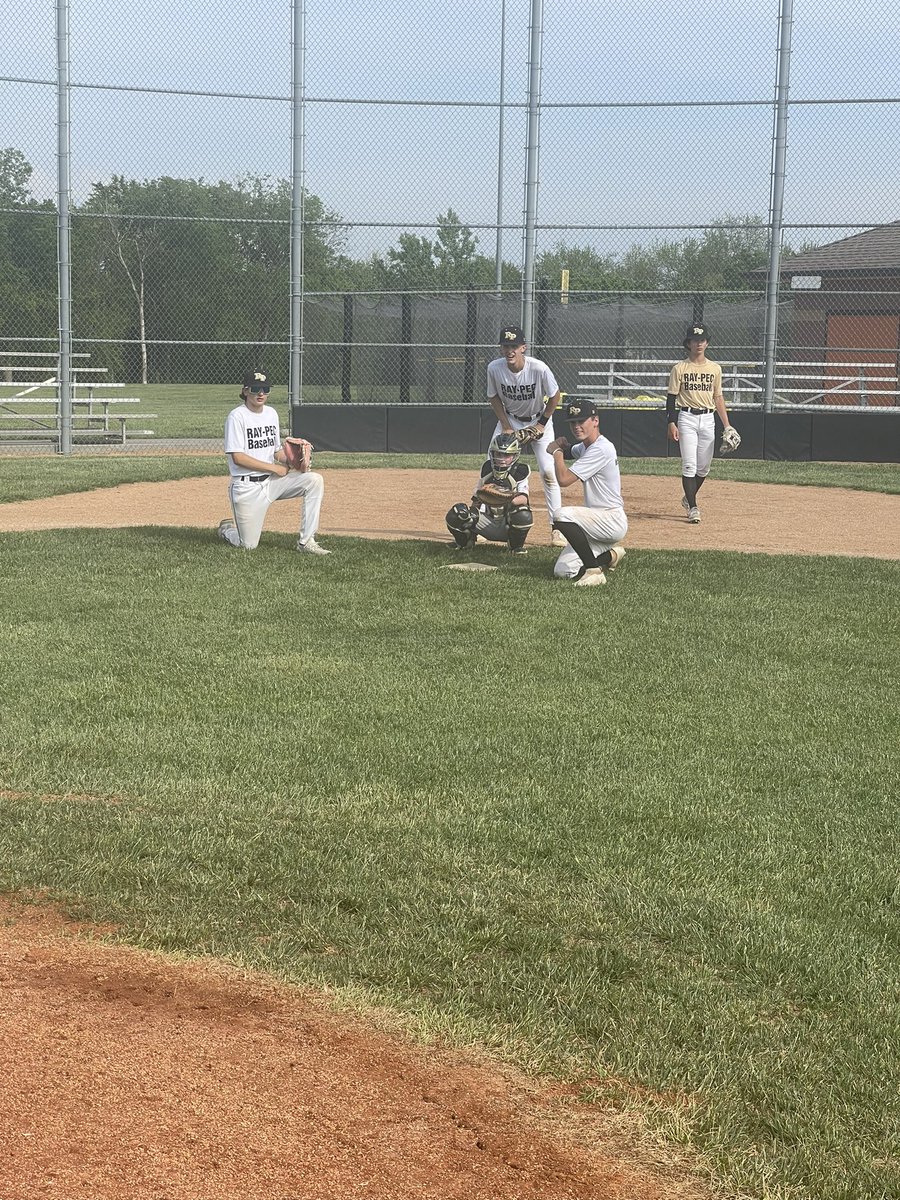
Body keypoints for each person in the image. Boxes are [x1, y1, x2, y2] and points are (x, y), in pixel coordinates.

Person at [217, 369, 330, 554]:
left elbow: (275, 450)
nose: (261, 393)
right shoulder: (237, 417)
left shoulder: (271, 413)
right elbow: (238, 458)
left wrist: (293, 461)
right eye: (255, 388)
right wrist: (274, 468)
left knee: (314, 480)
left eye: (265, 388)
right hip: (247, 488)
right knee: (248, 545)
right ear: (245, 391)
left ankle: (306, 542)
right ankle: (228, 530)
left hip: (272, 482)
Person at [486, 325, 566, 546]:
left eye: (514, 346)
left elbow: (555, 395)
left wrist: (541, 424)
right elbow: (493, 397)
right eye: (505, 346)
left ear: (524, 347)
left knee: (549, 472)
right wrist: (505, 425)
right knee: (491, 466)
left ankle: (557, 528)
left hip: (539, 420)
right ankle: (482, 521)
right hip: (510, 420)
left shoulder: (538, 368)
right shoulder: (494, 368)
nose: (509, 350)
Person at [546, 398, 627, 588]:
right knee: (563, 572)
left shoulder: (601, 448)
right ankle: (611, 556)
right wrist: (559, 446)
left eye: (581, 421)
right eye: (572, 422)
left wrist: (556, 452)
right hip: (594, 525)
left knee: (560, 515)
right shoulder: (586, 447)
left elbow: (564, 480)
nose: (576, 426)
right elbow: (569, 451)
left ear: (595, 421)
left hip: (609, 520)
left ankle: (593, 571)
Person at [666, 324, 737, 524]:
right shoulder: (679, 368)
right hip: (686, 417)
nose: (699, 343)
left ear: (707, 343)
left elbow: (718, 397)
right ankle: (693, 507)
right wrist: (671, 422)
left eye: (702, 340)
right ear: (688, 343)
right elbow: (671, 398)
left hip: (708, 418)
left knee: (703, 468)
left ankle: (688, 498)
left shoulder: (715, 369)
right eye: (695, 340)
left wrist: (727, 425)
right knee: (689, 465)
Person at [445, 431, 533, 554]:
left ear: (515, 455)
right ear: (492, 453)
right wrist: (470, 517)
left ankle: (515, 547)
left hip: (507, 523)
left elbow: (524, 499)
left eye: (506, 455)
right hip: (488, 521)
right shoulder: (487, 468)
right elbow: (477, 499)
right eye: (498, 454)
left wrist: (503, 497)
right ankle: (465, 543)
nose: (502, 459)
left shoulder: (520, 471)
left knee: (523, 513)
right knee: (457, 512)